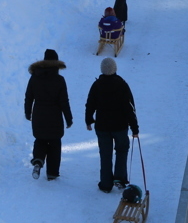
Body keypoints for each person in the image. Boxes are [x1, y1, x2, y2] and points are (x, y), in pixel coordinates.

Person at [85, 57, 139, 193]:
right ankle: (120, 179)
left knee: (105, 154)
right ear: (115, 69)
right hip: (120, 126)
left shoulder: (96, 85)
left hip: (102, 127)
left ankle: (105, 184)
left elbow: (90, 104)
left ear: (102, 70)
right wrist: (134, 128)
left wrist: (89, 120)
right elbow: (129, 108)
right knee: (121, 150)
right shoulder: (122, 85)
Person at [24, 49, 73, 181]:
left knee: (40, 139)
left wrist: (28, 112)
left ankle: (38, 161)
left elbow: (29, 97)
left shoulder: (34, 77)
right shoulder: (59, 80)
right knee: (55, 142)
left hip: (39, 114)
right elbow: (64, 101)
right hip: (55, 116)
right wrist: (68, 118)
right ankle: (52, 173)